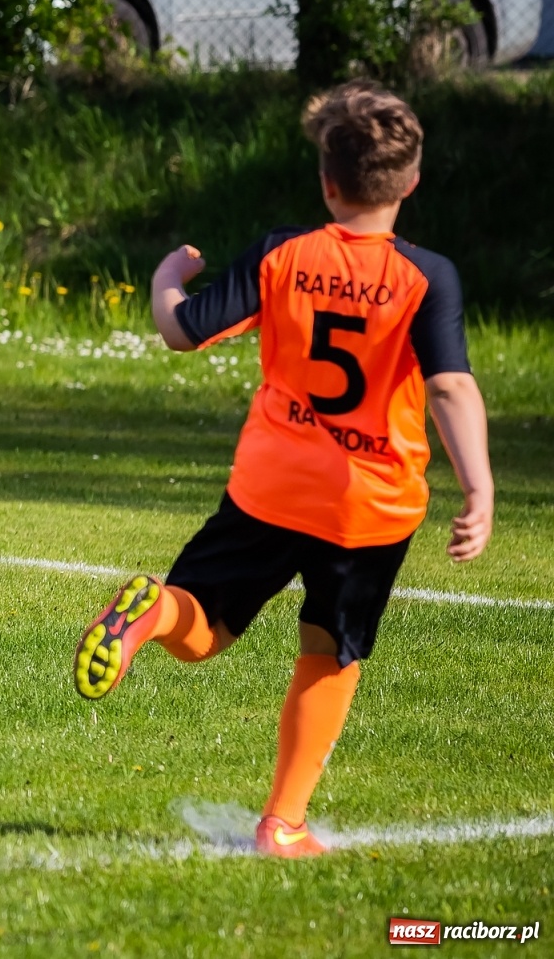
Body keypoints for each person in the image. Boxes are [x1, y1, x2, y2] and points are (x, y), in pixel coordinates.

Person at [71, 80, 492, 857]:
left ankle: (152, 613)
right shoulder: (427, 276)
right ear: (413, 182)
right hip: (368, 507)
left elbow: (184, 330)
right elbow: (449, 385)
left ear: (327, 183)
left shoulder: (283, 253)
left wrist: (167, 278)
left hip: (268, 488)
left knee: (201, 628)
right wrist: (480, 486)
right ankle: (283, 822)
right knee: (329, 651)